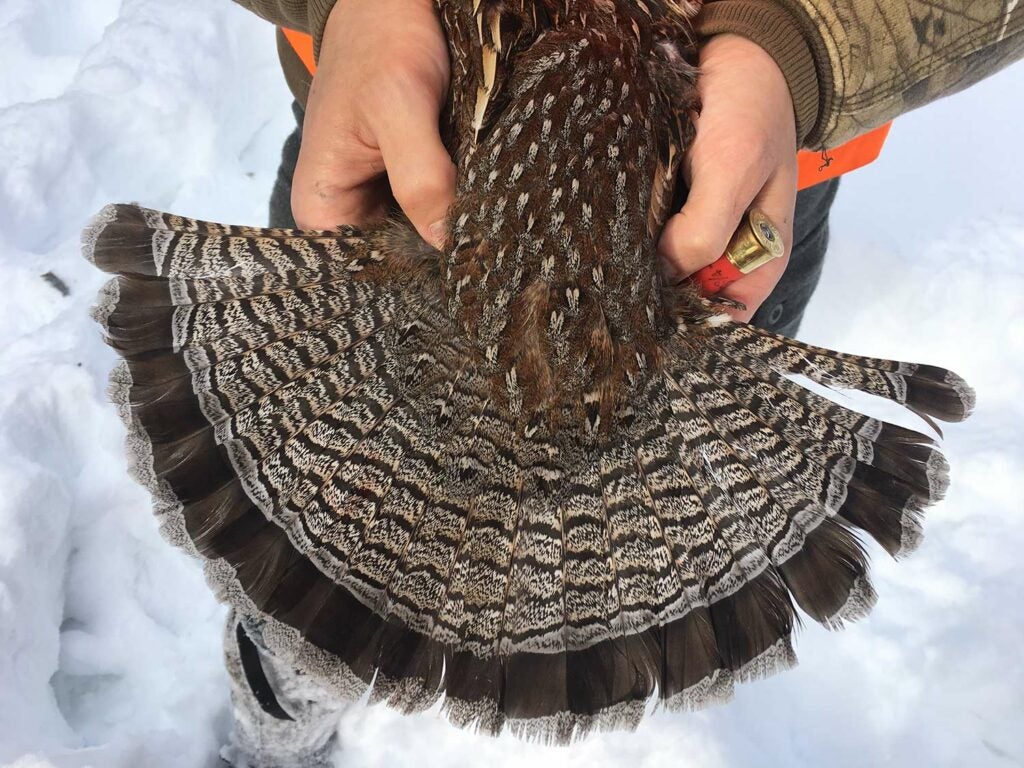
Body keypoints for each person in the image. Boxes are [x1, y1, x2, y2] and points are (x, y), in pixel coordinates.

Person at [215, 1, 1023, 765]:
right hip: (388, 118)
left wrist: (800, 41)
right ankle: (288, 683)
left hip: (738, 167)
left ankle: (536, 602)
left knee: (635, 474)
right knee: (328, 513)